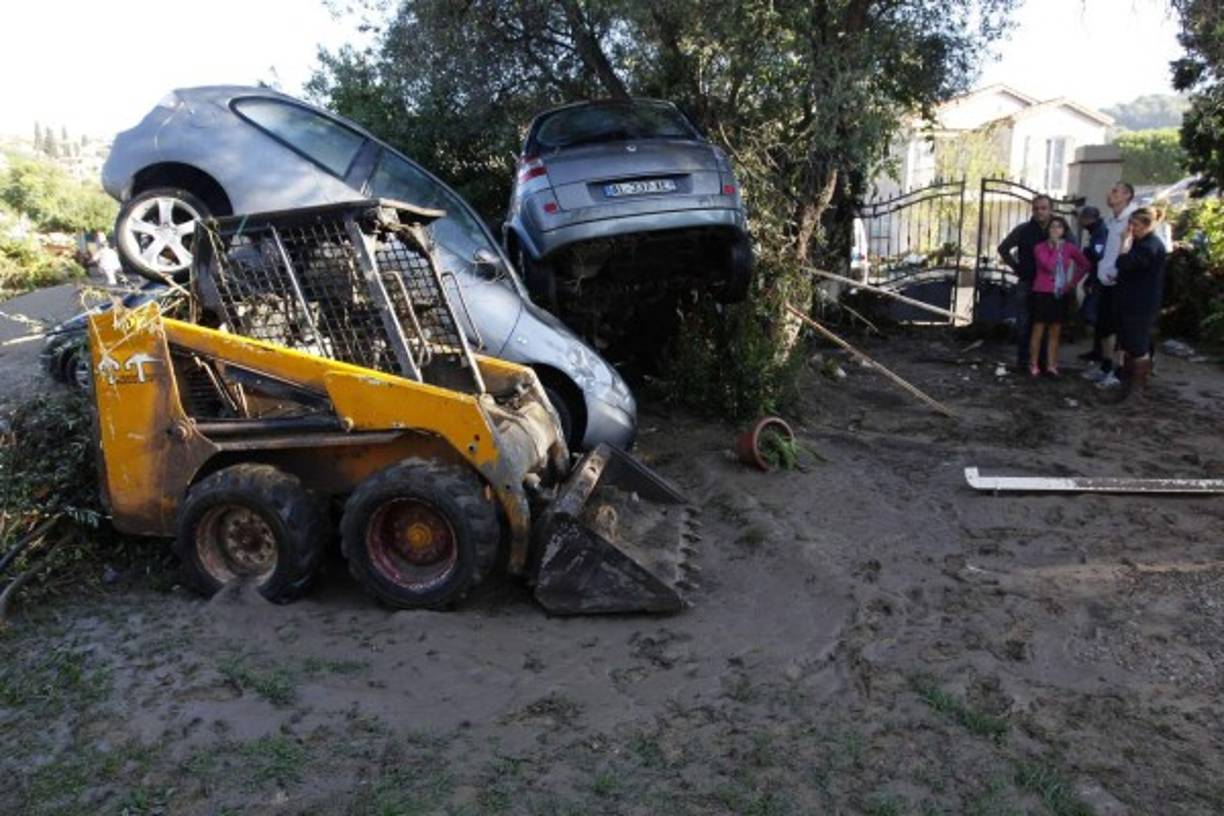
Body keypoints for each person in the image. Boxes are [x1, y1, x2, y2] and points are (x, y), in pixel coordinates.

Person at [1082, 182, 1137, 388]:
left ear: (1127, 195)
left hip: (1121, 283)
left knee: (1118, 329)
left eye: (1115, 191)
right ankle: (1106, 367)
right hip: (1105, 281)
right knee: (1104, 327)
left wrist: (1119, 273)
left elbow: (1131, 252)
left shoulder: (1131, 220)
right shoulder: (1113, 221)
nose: (1110, 193)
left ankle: (1119, 371)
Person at [1110, 207, 1167, 399]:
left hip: (1141, 304)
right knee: (1127, 342)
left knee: (1138, 345)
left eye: (1134, 224)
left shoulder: (1150, 246)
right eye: (1130, 224)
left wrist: (1124, 243)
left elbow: (1124, 263)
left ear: (1146, 225)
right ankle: (1126, 385)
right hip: (1129, 301)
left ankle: (1137, 390)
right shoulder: (1141, 243)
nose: (1130, 228)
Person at [1028, 216, 1090, 377]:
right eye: (1052, 227)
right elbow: (1048, 266)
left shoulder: (1069, 247)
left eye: (1059, 227)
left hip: (1059, 293)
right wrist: (1056, 249)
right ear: (1047, 230)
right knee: (1038, 329)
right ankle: (1033, 364)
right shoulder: (1039, 247)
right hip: (1042, 292)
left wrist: (1072, 282)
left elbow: (1085, 265)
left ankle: (1052, 364)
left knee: (1055, 330)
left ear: (1064, 231)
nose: (1055, 230)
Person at [998, 194, 1053, 369]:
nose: (1039, 212)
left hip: (1049, 286)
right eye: (1036, 208)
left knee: (1046, 324)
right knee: (1024, 323)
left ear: (1050, 210)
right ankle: (1023, 361)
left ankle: (1043, 362)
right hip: (1027, 282)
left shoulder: (1058, 229)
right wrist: (1017, 267)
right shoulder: (1023, 230)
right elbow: (1003, 248)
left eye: (1043, 208)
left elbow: (1072, 251)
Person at [1076, 206, 1108, 362]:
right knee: (1092, 313)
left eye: (1082, 219)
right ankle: (1098, 350)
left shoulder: (1100, 231)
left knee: (1091, 313)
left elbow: (1098, 254)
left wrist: (1086, 251)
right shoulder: (1096, 230)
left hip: (1101, 279)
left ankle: (1105, 349)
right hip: (1096, 277)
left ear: (1089, 219)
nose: (1080, 222)